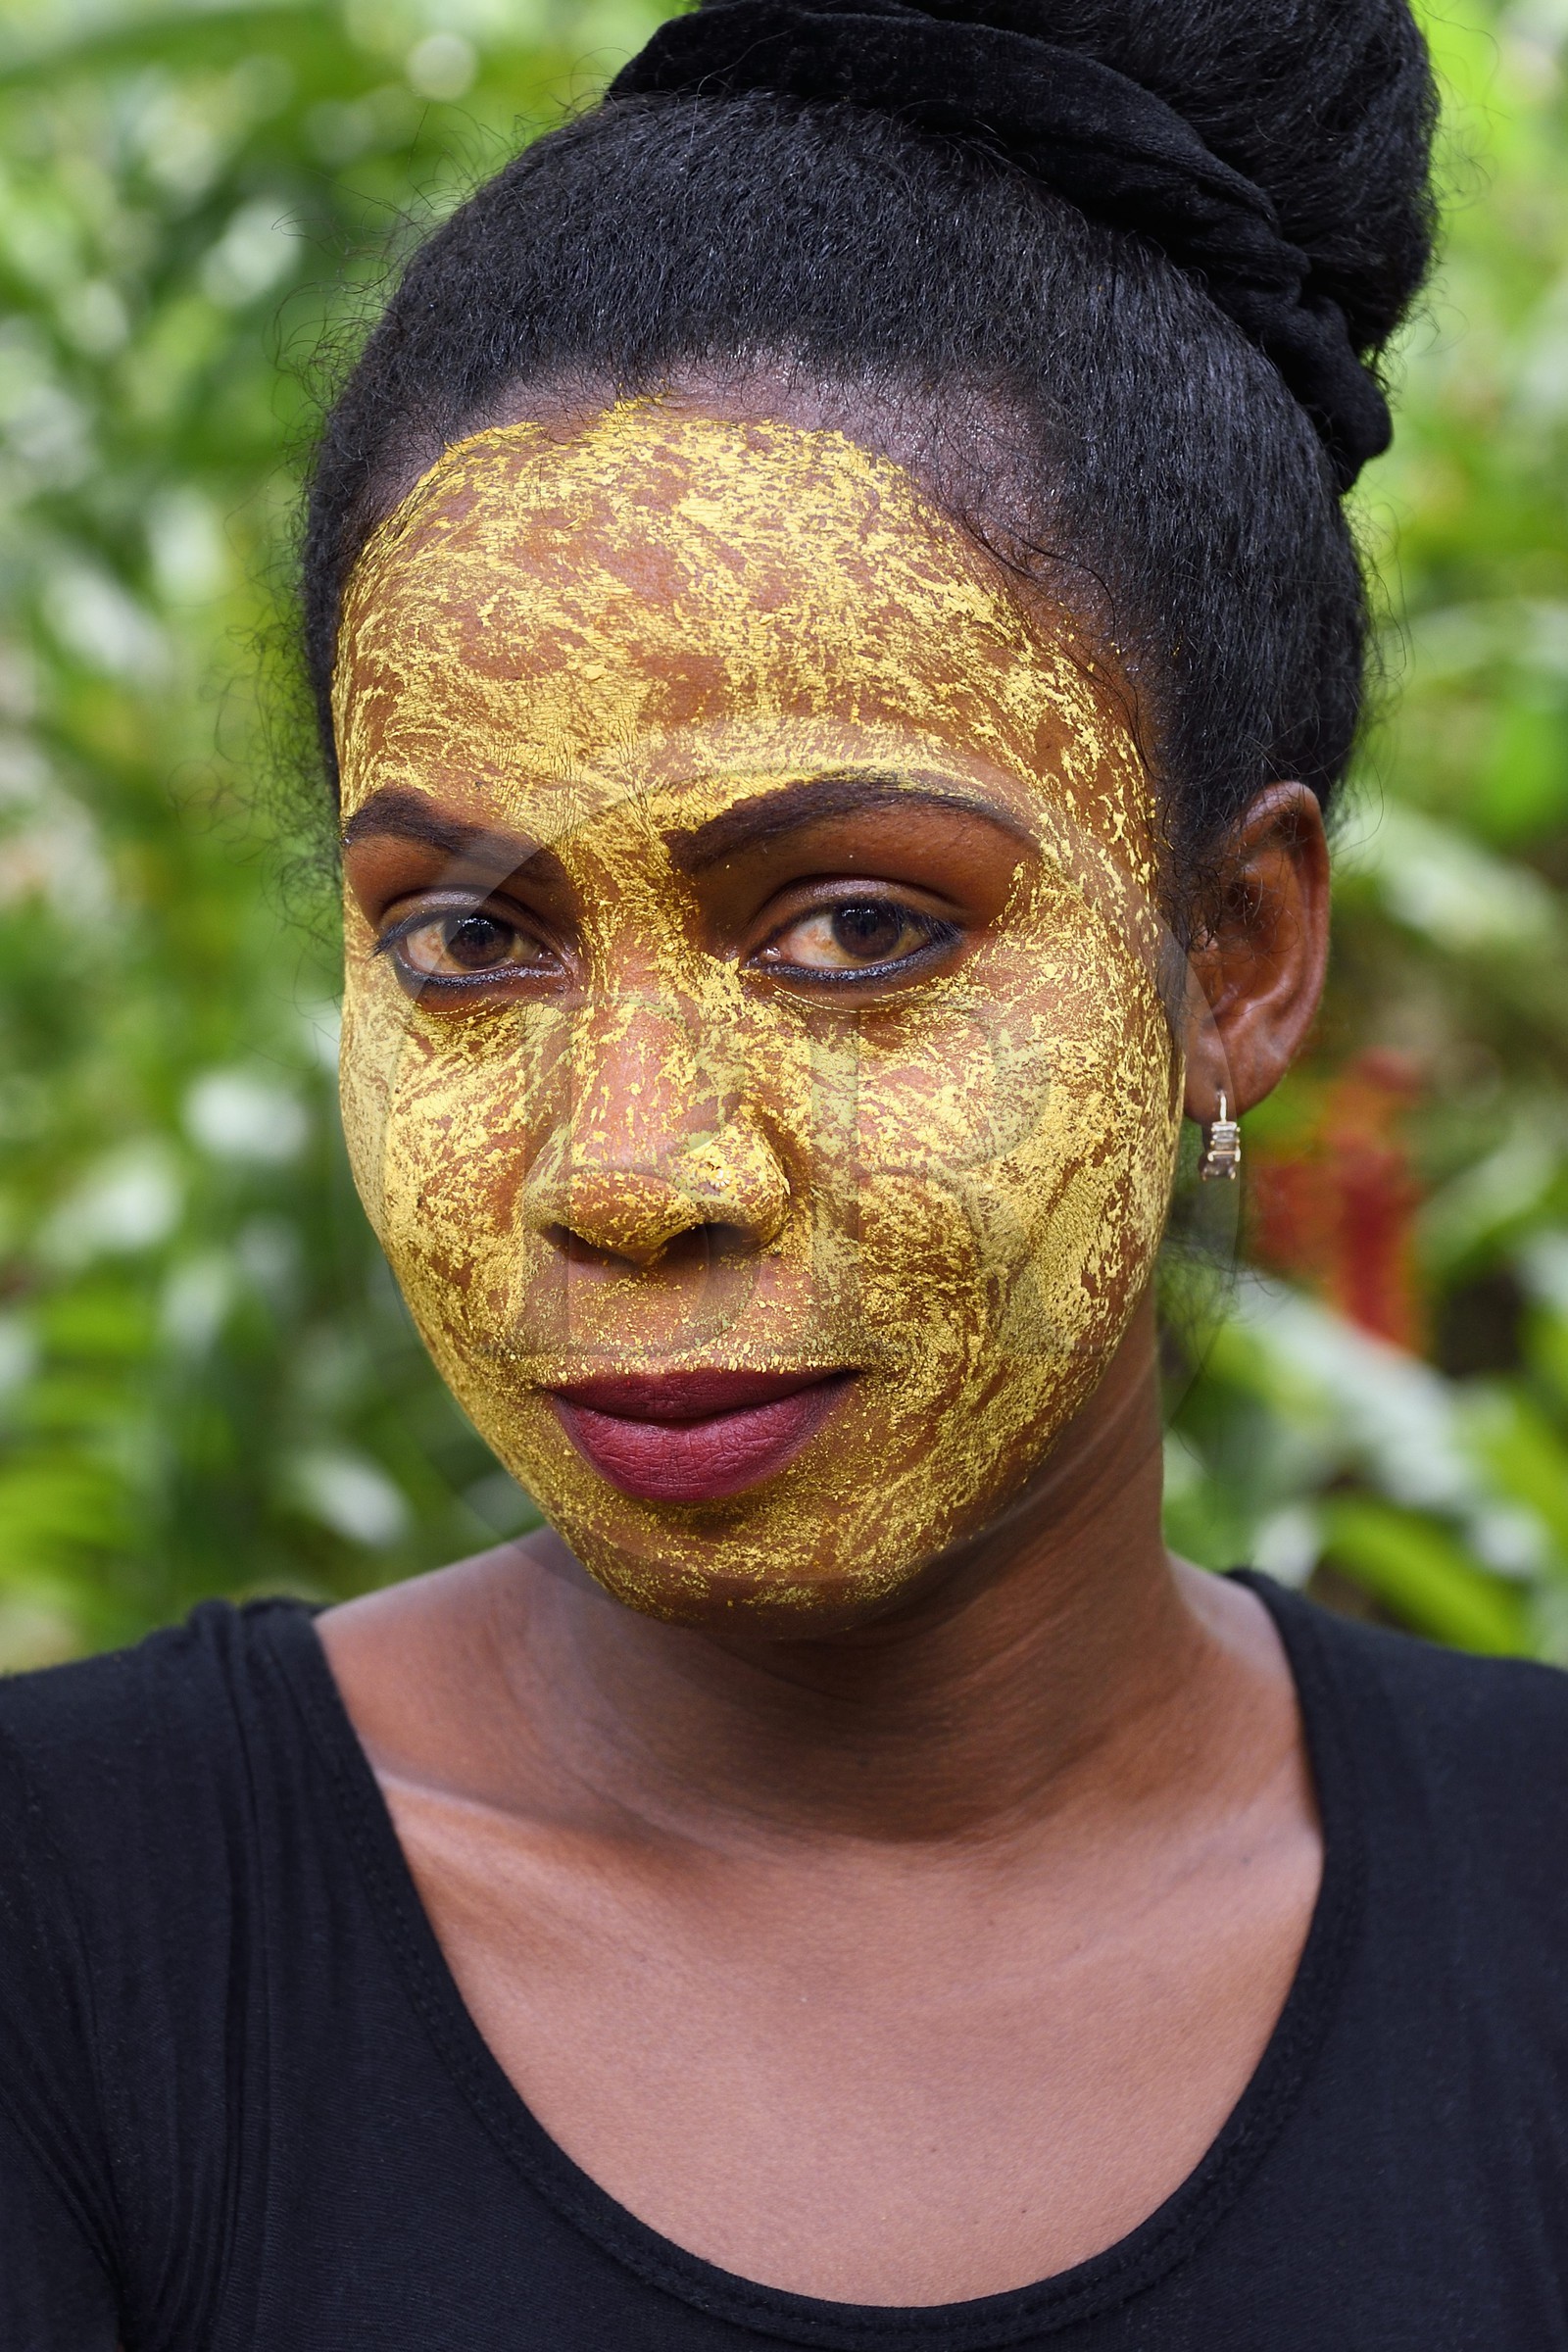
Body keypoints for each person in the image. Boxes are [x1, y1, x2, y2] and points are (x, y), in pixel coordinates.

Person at [5, 2, 1568, 2344]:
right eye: (471, 940)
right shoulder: (65, 1935)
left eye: (854, 927)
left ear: (1231, 959)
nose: (631, 1176)